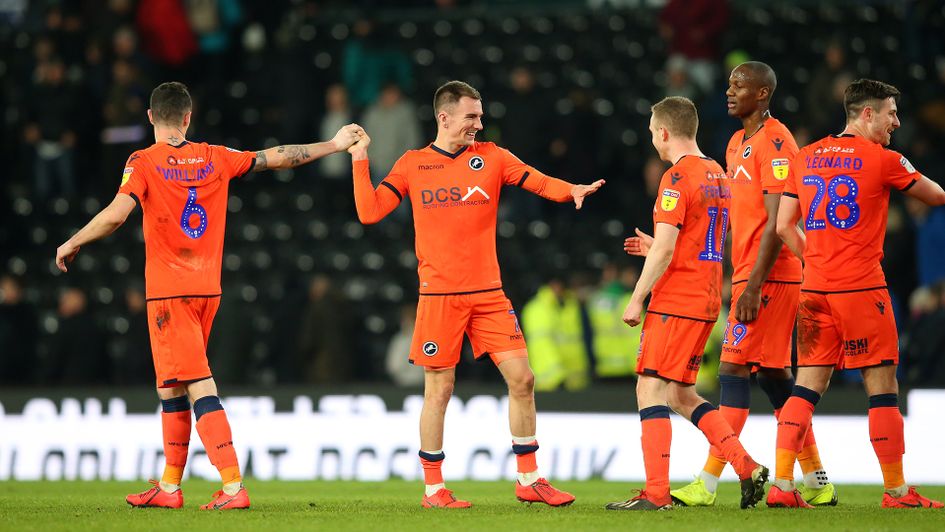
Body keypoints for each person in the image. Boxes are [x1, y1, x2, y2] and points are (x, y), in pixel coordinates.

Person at [55, 81, 363, 510]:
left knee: (198, 382)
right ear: (187, 116)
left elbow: (117, 214)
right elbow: (274, 157)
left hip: (169, 292)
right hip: (206, 288)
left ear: (150, 117)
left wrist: (74, 241)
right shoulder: (215, 156)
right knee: (170, 386)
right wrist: (332, 144)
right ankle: (168, 487)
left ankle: (234, 486)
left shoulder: (142, 161)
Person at [347, 80, 604, 508]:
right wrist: (359, 158)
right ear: (444, 117)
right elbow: (369, 211)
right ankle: (434, 489)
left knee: (523, 379)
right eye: (472, 117)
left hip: (489, 293)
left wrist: (570, 190)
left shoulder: (493, 157)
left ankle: (530, 479)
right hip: (439, 296)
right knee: (439, 391)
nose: (479, 124)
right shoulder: (413, 164)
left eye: (481, 116)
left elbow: (538, 182)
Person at [772, 79, 945, 509]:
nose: (896, 121)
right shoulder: (883, 158)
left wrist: (814, 262)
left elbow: (782, 226)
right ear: (867, 114)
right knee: (882, 386)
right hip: (862, 288)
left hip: (813, 289)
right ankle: (897, 491)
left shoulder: (805, 156)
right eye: (890, 113)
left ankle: (781, 486)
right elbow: (937, 196)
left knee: (805, 388)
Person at [671, 62, 837, 508]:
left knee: (731, 372)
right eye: (728, 84)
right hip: (751, 274)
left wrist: (750, 286)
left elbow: (776, 221)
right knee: (776, 382)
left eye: (739, 86)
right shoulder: (735, 142)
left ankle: (707, 483)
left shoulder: (776, 141)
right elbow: (738, 220)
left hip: (772, 277)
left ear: (762, 93)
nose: (729, 91)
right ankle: (817, 480)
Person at [607, 96, 768, 511]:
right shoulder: (717, 172)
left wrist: (636, 298)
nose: (652, 141)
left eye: (651, 133)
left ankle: (656, 494)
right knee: (682, 395)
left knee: (650, 389)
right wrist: (659, 246)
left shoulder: (676, 177)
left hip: (676, 300)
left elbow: (665, 251)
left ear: (663, 132)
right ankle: (746, 465)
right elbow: (696, 240)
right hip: (706, 298)